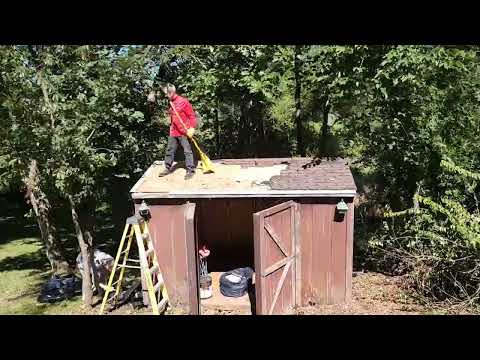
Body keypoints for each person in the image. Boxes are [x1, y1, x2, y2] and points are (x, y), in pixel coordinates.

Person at [156, 84, 197, 180]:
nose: (165, 95)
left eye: (166, 93)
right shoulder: (170, 102)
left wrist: (192, 128)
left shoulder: (183, 102)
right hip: (173, 131)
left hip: (184, 131)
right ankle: (167, 167)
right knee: (170, 150)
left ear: (170, 92)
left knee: (187, 151)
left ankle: (190, 170)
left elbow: (192, 116)